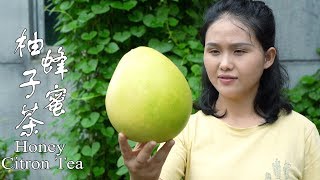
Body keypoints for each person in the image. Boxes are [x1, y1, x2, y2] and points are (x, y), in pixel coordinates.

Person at [118, 0, 320, 179]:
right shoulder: (186, 131)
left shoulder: (303, 133)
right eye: (214, 51)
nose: (224, 64)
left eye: (239, 51)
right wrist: (143, 178)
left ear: (268, 57)